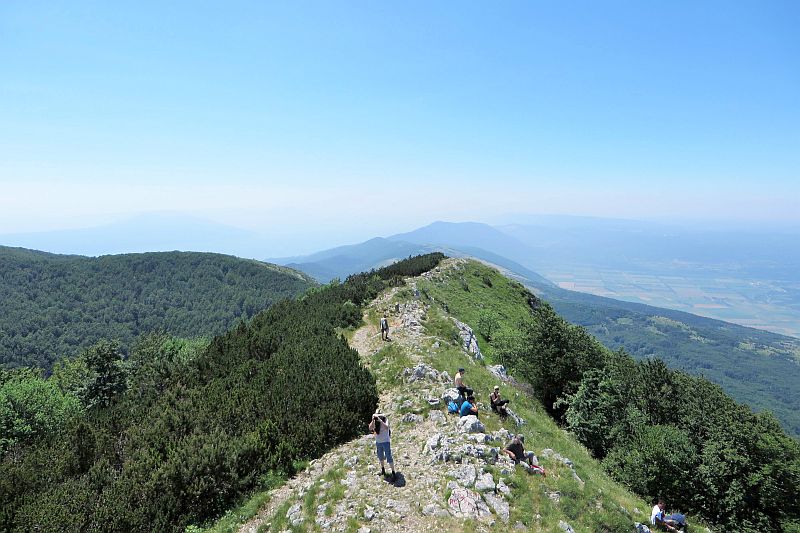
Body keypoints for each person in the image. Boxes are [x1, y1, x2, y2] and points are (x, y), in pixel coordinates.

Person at [369, 412, 396, 481]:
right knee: (380, 456)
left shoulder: (385, 420)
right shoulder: (375, 421)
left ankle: (393, 472)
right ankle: (383, 469)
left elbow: (386, 427)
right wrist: (372, 420)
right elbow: (370, 428)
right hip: (378, 442)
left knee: (388, 456)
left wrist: (380, 421)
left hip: (386, 441)